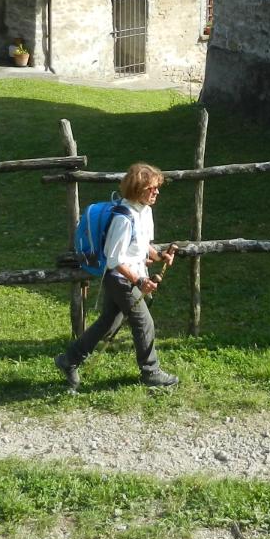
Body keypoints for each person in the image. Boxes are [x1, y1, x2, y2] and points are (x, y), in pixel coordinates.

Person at [55, 162, 179, 390]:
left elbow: (143, 245)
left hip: (131, 275)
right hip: (121, 279)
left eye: (157, 188)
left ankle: (69, 360)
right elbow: (114, 260)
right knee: (144, 322)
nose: (157, 192)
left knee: (107, 324)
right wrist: (140, 281)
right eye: (152, 188)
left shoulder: (145, 212)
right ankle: (150, 371)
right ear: (138, 189)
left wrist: (160, 255)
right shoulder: (123, 218)